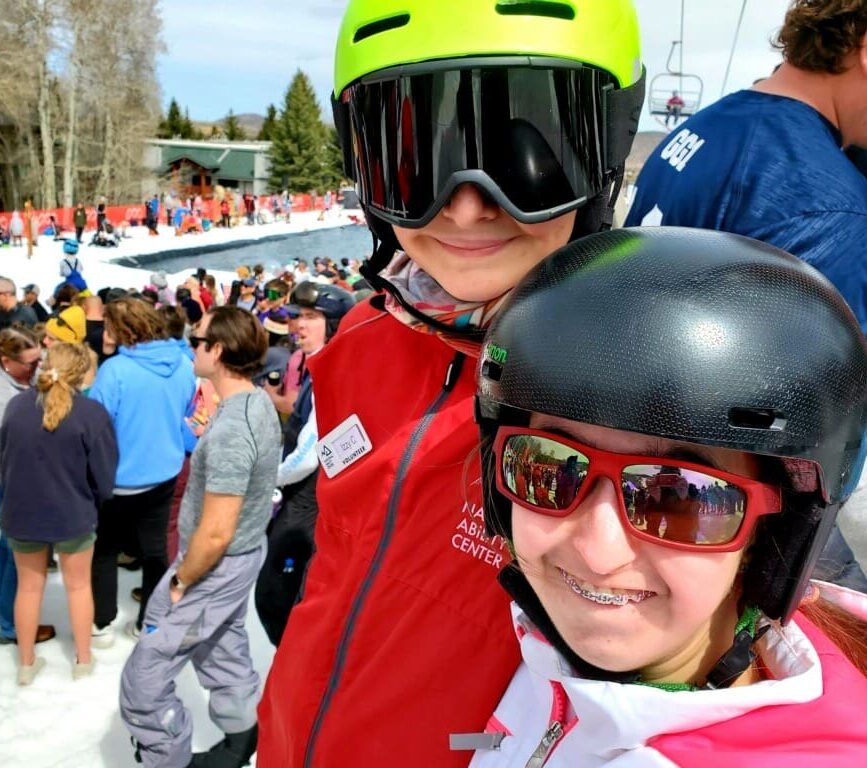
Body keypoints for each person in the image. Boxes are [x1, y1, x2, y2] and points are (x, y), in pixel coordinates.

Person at [255, 1, 646, 764]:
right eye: (413, 161)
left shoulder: (624, 391)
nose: (465, 206)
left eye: (529, 160)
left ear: (605, 150)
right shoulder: (367, 333)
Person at [471, 227, 867, 765]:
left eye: (679, 499)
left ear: (773, 534)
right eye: (549, 468)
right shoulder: (519, 640)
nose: (597, 550)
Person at [625, 0, 867, 590]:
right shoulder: (831, 205)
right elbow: (816, 427)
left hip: (641, 456)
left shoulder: (710, 125)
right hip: (722, 517)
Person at [121, 306, 280, 768]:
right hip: (236, 557)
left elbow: (216, 531)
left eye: (197, 340)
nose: (190, 346)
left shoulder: (234, 426)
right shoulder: (253, 403)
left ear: (219, 350)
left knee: (144, 679)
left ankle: (167, 757)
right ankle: (242, 735)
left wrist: (181, 580)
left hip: (213, 563)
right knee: (221, 646)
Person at [0, 343, 117, 685]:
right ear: (80, 372)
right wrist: (94, 499)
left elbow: (5, 459)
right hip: (73, 512)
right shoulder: (92, 413)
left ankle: (25, 663)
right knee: (79, 587)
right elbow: (104, 475)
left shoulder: (17, 406)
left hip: (22, 511)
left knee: (28, 588)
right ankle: (82, 659)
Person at [88, 297, 196, 646]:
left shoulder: (115, 370)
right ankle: (147, 620)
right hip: (164, 472)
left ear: (122, 330)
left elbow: (96, 426)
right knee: (155, 552)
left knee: (104, 550)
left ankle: (101, 622)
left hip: (118, 480)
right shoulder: (182, 363)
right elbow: (183, 409)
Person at [255, 283, 354, 646]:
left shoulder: (334, 373)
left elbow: (310, 452)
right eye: (297, 317)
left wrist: (267, 478)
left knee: (277, 589)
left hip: (308, 499)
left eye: (311, 318)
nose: (299, 325)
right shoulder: (320, 366)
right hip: (303, 494)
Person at [0, 327, 55, 646]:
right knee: (21, 553)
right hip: (8, 484)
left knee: (8, 545)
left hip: (17, 481)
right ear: (6, 361)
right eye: (30, 364)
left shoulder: (21, 377)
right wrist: (24, 481)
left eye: (39, 361)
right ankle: (12, 626)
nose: (37, 369)